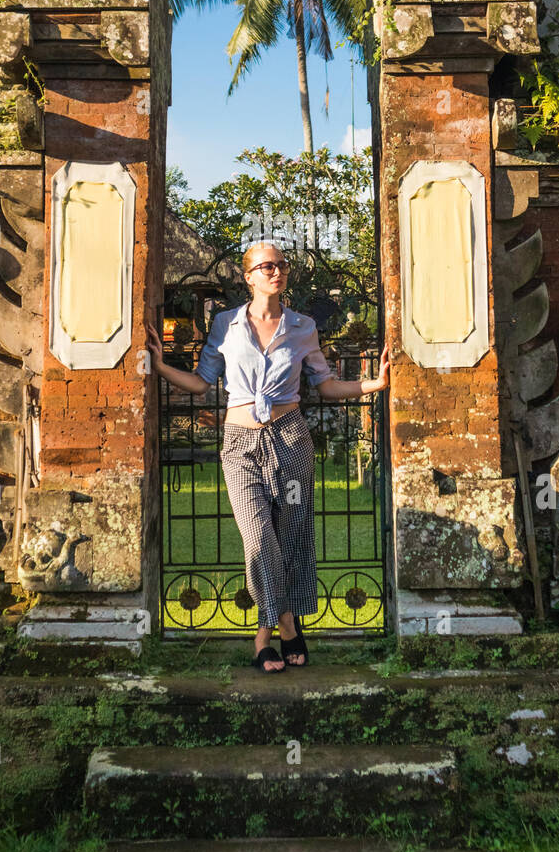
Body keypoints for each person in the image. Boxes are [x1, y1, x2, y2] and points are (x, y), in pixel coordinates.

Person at [148, 241, 390, 672]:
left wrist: (375, 385)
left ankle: (265, 636)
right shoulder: (226, 325)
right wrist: (162, 366)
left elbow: (327, 385)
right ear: (248, 277)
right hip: (240, 442)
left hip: (291, 439)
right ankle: (287, 626)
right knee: (259, 538)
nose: (275, 272)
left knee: (292, 535)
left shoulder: (302, 327)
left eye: (280, 265)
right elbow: (203, 383)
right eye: (265, 266)